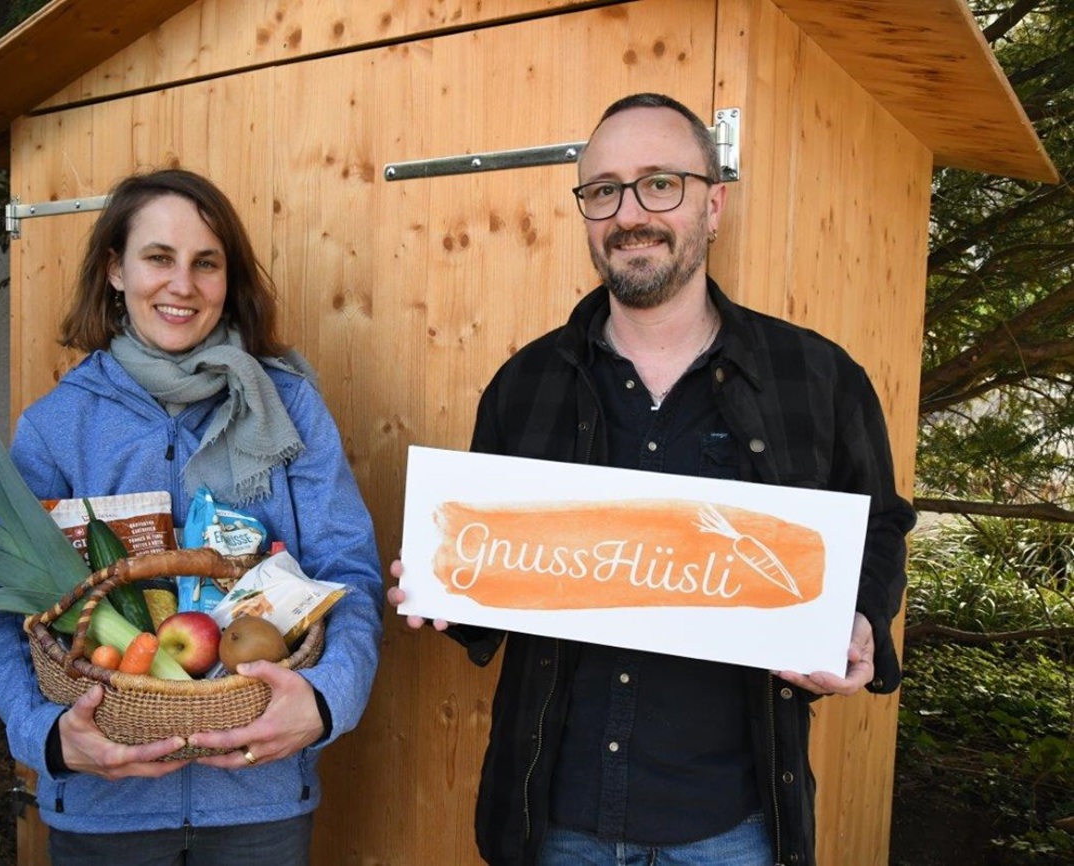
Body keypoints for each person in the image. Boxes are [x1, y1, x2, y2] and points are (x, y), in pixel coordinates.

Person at [388, 93, 916, 866]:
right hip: (554, 821)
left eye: (659, 183)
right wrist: (442, 591)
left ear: (713, 205)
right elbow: (491, 592)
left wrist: (863, 617)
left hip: (735, 827)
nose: (629, 212)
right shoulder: (524, 386)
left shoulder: (818, 378)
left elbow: (880, 523)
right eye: (603, 190)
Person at [0, 168, 384, 865]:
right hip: (107, 803)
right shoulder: (56, 427)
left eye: (206, 263)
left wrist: (322, 701)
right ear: (115, 270)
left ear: (230, 279)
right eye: (159, 258)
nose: (182, 286)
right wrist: (46, 736)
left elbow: (350, 573)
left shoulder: (289, 408)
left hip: (260, 796)